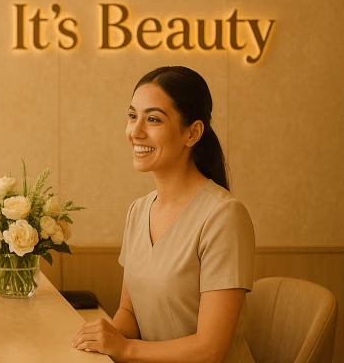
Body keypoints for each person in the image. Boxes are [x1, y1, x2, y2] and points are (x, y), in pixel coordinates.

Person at [72, 66, 255, 362]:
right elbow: (129, 313)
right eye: (133, 116)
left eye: (153, 119)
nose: (136, 132)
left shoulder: (224, 216)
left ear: (192, 133)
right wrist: (104, 340)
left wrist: (124, 348)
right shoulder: (138, 210)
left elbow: (211, 350)